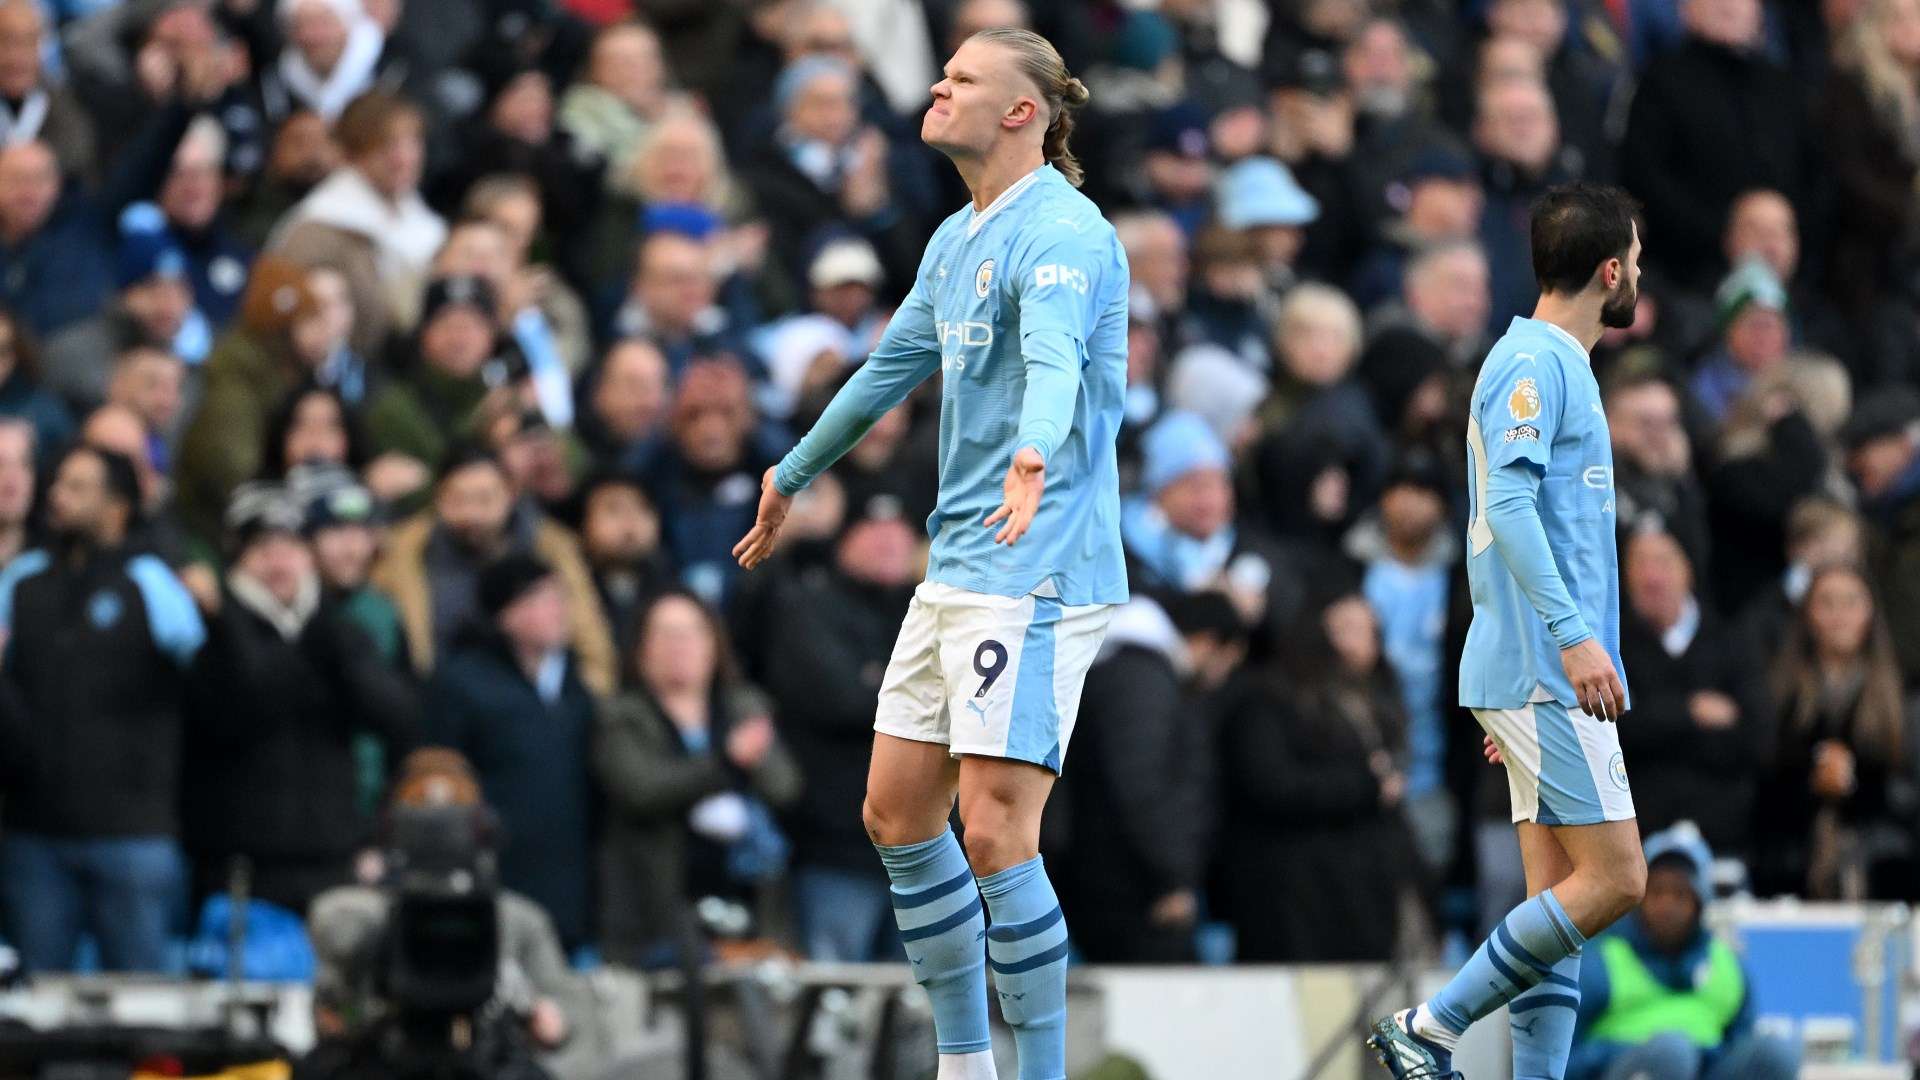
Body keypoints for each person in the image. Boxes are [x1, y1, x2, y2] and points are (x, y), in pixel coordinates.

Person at [732, 29, 1125, 1080]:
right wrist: (795, 470)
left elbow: (1053, 354)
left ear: (1022, 113)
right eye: (941, 71)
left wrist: (1037, 449)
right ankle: (965, 1062)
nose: (937, 87)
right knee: (897, 812)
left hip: (1037, 561)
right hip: (960, 562)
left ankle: (1031, 1070)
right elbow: (889, 365)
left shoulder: (1065, 234)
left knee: (997, 832)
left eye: (962, 79)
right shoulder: (959, 238)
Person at [1370, 183, 1649, 1080]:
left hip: (1529, 674)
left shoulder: (1547, 360)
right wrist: (1568, 642)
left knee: (1551, 907)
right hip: (1544, 669)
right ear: (1611, 270)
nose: (1638, 273)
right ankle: (1429, 1024)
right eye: (1636, 259)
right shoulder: (1536, 364)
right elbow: (1511, 505)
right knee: (1616, 882)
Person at [0, 444, 205, 972]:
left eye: (77, 487)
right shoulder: (21, 582)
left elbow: (201, 678)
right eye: (58, 484)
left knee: (143, 1011)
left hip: (133, 835)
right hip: (35, 836)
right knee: (35, 1011)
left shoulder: (152, 581)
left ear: (117, 507)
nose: (57, 497)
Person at [182, 482, 415, 914]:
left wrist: (325, 634)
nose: (277, 560)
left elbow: (396, 716)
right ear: (237, 559)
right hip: (239, 869)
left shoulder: (339, 632)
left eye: (289, 545)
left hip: (333, 861)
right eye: (260, 547)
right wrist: (235, 627)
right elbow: (238, 711)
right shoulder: (215, 634)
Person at [595, 588, 801, 966]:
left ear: (713, 644)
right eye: (667, 635)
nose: (681, 646)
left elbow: (784, 788)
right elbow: (641, 791)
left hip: (748, 907)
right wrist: (728, 761)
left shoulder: (745, 706)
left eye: (692, 633)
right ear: (642, 649)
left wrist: (757, 758)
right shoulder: (621, 717)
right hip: (657, 913)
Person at [1215, 592, 1415, 962]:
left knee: (1376, 1010)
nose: (1352, 644)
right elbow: (1270, 785)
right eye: (1342, 629)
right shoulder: (1269, 698)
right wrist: (1365, 786)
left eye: (1365, 630)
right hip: (1293, 897)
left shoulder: (1379, 698)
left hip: (1364, 893)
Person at [763, 492, 919, 962]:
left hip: (923, 850)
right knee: (834, 1007)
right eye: (872, 528)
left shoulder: (923, 608)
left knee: (921, 1010)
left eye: (900, 529)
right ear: (843, 540)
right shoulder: (808, 606)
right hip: (836, 846)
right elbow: (848, 700)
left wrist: (880, 679)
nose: (889, 540)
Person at [424, 553, 599, 951]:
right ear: (505, 614)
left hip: (571, 885)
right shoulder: (461, 684)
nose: (558, 611)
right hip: (495, 883)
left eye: (560, 598)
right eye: (540, 599)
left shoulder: (575, 689)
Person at [370, 445, 617, 694]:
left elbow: (590, 642)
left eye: (484, 499)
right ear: (438, 499)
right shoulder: (405, 554)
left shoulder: (550, 548)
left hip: (539, 708)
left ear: (511, 494)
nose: (471, 514)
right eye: (457, 500)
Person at [1567, 825, 1801, 1080]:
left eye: (1680, 895)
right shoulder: (1602, 958)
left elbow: (1740, 1044)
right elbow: (1563, 1058)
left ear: (1700, 903)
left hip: (1706, 1070)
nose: (1667, 906)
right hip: (1625, 1070)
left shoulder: (1726, 964)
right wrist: (1624, 1051)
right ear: (1639, 899)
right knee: (1672, 1053)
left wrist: (1702, 1053)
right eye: (1657, 893)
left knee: (1777, 1052)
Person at [1751, 563, 1919, 899]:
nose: (1838, 615)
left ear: (1871, 613)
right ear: (1807, 614)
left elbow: (1910, 798)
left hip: (1887, 874)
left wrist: (1855, 784)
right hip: (1790, 873)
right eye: (1826, 602)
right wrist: (1811, 781)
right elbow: (1757, 791)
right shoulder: (1777, 697)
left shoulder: (1903, 701)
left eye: (1851, 602)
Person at [1614, 530, 1766, 857]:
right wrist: (1690, 712)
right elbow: (1614, 734)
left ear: (1689, 569)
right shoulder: (1610, 647)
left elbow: (1756, 739)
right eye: (1639, 563)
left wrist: (1652, 719)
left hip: (1725, 838)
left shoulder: (1732, 642)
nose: (1651, 576)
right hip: (1635, 839)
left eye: (1663, 562)